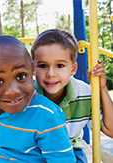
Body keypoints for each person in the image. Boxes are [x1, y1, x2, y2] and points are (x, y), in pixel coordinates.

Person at [0, 35, 76, 163]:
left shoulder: (46, 116)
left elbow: (62, 160)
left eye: (21, 76)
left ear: (32, 70)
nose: (13, 91)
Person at [31, 28, 113, 163]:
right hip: (36, 151)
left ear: (73, 69)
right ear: (33, 68)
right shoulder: (28, 95)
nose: (51, 73)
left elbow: (111, 130)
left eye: (60, 65)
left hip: (70, 149)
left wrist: (102, 89)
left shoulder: (84, 93)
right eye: (43, 65)